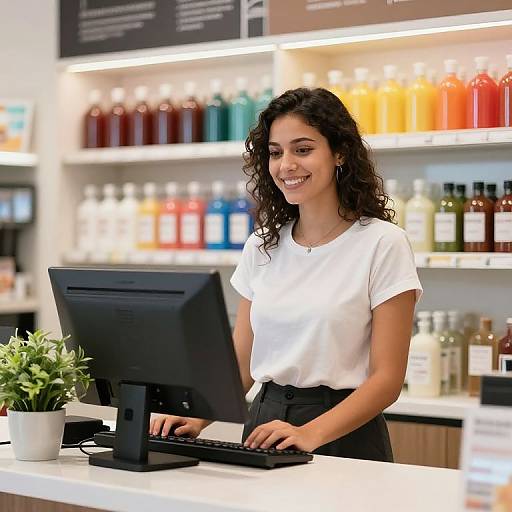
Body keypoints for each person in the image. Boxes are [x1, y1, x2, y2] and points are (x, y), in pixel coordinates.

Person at [150, 87, 422, 462]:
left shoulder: (382, 243)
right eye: (275, 152)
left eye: (303, 149)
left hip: (343, 432)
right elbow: (241, 364)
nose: (286, 164)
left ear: (339, 153)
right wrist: (195, 414)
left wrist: (308, 433)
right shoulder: (262, 245)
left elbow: (387, 380)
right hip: (265, 424)